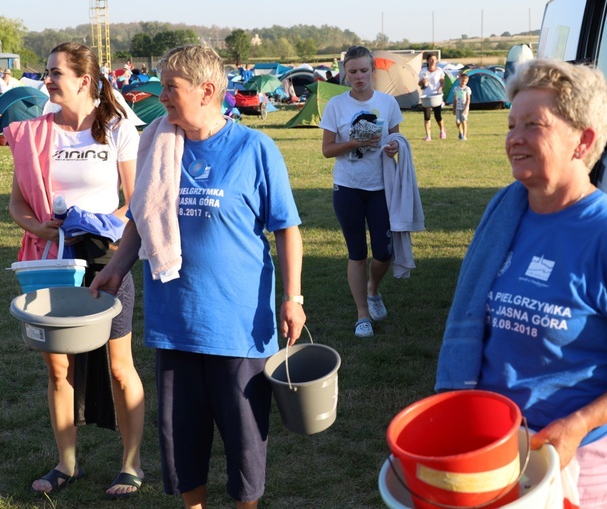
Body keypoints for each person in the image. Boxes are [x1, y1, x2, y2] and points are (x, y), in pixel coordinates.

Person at [435, 58, 607, 508]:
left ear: (584, 140)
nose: (513, 138)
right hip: (496, 444)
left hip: (579, 457)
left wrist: (579, 424)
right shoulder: (507, 213)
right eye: (511, 124)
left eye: (533, 125)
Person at [88, 44, 306, 509]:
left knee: (246, 444)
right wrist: (116, 268)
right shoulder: (160, 143)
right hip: (177, 321)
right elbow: (143, 219)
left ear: (206, 91)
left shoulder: (254, 148)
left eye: (171, 86)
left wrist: (293, 297)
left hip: (238, 327)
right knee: (183, 443)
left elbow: (287, 229)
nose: (161, 95)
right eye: (162, 85)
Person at [5, 42, 145, 499]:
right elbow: (18, 204)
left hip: (108, 256)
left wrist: (102, 223)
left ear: (84, 80)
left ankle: (131, 464)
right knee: (57, 367)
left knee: (120, 366)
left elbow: (134, 201)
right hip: (55, 260)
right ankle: (67, 463)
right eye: (46, 72)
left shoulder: (119, 129)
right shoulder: (35, 134)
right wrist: (42, 231)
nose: (46, 79)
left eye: (54, 72)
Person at [319, 45, 403, 338]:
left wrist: (393, 145)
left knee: (383, 252)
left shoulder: (388, 102)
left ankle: (373, 289)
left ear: (372, 71)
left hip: (381, 187)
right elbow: (327, 150)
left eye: (363, 70)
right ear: (345, 73)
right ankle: (362, 315)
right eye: (352, 71)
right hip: (348, 187)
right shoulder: (336, 106)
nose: (358, 76)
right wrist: (355, 142)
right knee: (357, 253)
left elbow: (396, 139)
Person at [418, 52, 446, 141]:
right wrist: (423, 81)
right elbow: (419, 83)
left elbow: (442, 82)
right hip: (426, 96)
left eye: (434, 59)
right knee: (427, 116)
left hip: (436, 96)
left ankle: (442, 130)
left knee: (438, 116)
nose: (433, 61)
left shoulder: (439, 70)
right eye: (431, 59)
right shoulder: (423, 71)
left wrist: (440, 88)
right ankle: (428, 135)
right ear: (428, 61)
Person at [451, 72, 471, 141]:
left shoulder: (467, 89)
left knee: (464, 121)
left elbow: (468, 99)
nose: (463, 82)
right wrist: (453, 108)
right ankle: (460, 131)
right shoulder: (456, 89)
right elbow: (454, 99)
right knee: (457, 121)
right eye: (462, 80)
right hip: (458, 108)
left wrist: (466, 108)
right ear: (459, 80)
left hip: (464, 107)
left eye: (465, 81)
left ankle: (464, 136)